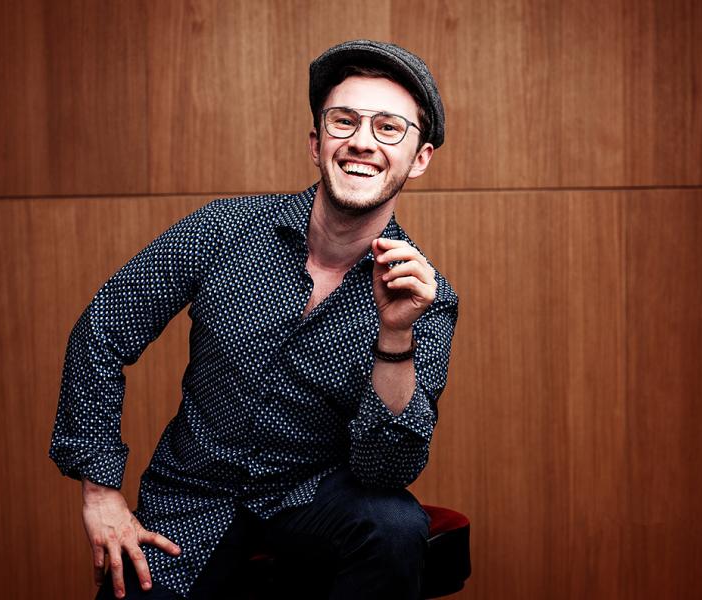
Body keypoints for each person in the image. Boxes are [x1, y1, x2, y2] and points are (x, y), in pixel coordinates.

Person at [50, 39, 458, 600]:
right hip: (191, 495)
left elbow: (385, 471)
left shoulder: (426, 298)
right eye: (343, 121)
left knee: (394, 525)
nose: (362, 141)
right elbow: (102, 331)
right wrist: (99, 491)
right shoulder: (221, 230)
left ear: (420, 158)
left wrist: (395, 333)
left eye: (389, 128)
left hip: (311, 496)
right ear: (316, 143)